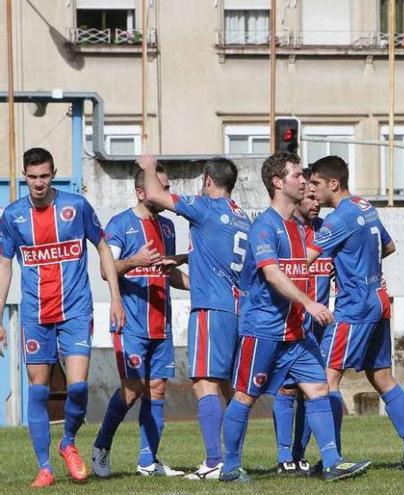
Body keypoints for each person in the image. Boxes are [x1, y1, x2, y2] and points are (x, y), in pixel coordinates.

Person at [219, 151, 370, 483]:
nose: (304, 181)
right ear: (277, 183)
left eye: (305, 176)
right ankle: (229, 467)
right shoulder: (264, 227)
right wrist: (310, 304)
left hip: (296, 334)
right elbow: (272, 275)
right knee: (245, 395)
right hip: (263, 330)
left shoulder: (300, 230)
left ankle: (332, 461)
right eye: (297, 175)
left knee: (318, 389)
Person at [0, 147, 125, 487]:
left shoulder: (76, 206)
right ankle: (44, 468)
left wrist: (115, 299)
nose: (38, 183)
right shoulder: (13, 216)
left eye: (44, 176)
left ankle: (68, 441)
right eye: (32, 177)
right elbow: (4, 265)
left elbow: (102, 247)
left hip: (75, 310)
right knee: (38, 389)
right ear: (24, 176)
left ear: (53, 174)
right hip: (35, 314)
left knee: (79, 386)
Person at [307, 155, 404, 471]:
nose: (314, 190)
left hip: (354, 307)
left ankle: (331, 458)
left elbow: (306, 258)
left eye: (317, 184)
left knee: (325, 379)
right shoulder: (365, 207)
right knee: (384, 378)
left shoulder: (338, 220)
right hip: (379, 300)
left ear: (333, 183)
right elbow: (388, 247)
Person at [136, 155, 251, 480]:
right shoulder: (241, 217)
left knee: (204, 384)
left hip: (210, 310)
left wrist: (147, 165)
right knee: (228, 388)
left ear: (208, 180)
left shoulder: (205, 207)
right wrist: (187, 258)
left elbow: (157, 196)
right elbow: (223, 254)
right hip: (236, 310)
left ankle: (215, 461)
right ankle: (231, 461)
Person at [91, 165, 189, 478]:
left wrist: (200, 288)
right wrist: (136, 261)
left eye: (168, 187)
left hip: (162, 324)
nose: (167, 192)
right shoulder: (121, 224)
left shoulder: (169, 227)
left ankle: (148, 462)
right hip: (131, 322)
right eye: (161, 186)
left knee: (157, 389)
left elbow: (167, 272)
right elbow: (108, 271)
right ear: (140, 191)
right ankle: (101, 447)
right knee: (132, 390)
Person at [272, 168, 335, 475]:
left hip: (320, 325)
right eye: (309, 196)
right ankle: (284, 455)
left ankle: (300, 453)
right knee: (286, 389)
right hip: (290, 321)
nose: (315, 202)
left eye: (316, 196)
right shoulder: (285, 232)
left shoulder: (326, 230)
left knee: (312, 389)